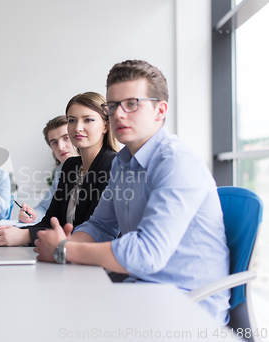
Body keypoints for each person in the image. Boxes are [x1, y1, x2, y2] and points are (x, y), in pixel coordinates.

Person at [34, 60, 230, 324]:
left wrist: (65, 251)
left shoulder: (176, 162)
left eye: (132, 104)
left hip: (185, 304)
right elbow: (101, 225)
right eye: (112, 106)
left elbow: (147, 254)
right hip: (139, 290)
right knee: (47, 309)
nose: (119, 115)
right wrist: (69, 241)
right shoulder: (122, 162)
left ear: (160, 110)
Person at [0, 92, 118, 246]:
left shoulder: (114, 164)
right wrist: (19, 232)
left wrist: (25, 236)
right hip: (65, 256)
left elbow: (92, 230)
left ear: (106, 125)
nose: (77, 128)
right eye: (72, 121)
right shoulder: (70, 166)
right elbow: (52, 220)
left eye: (88, 120)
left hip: (94, 260)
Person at [17, 115, 77, 224]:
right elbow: (45, 207)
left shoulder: (98, 166)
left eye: (66, 138)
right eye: (54, 142)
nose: (60, 146)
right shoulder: (60, 171)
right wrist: (33, 215)